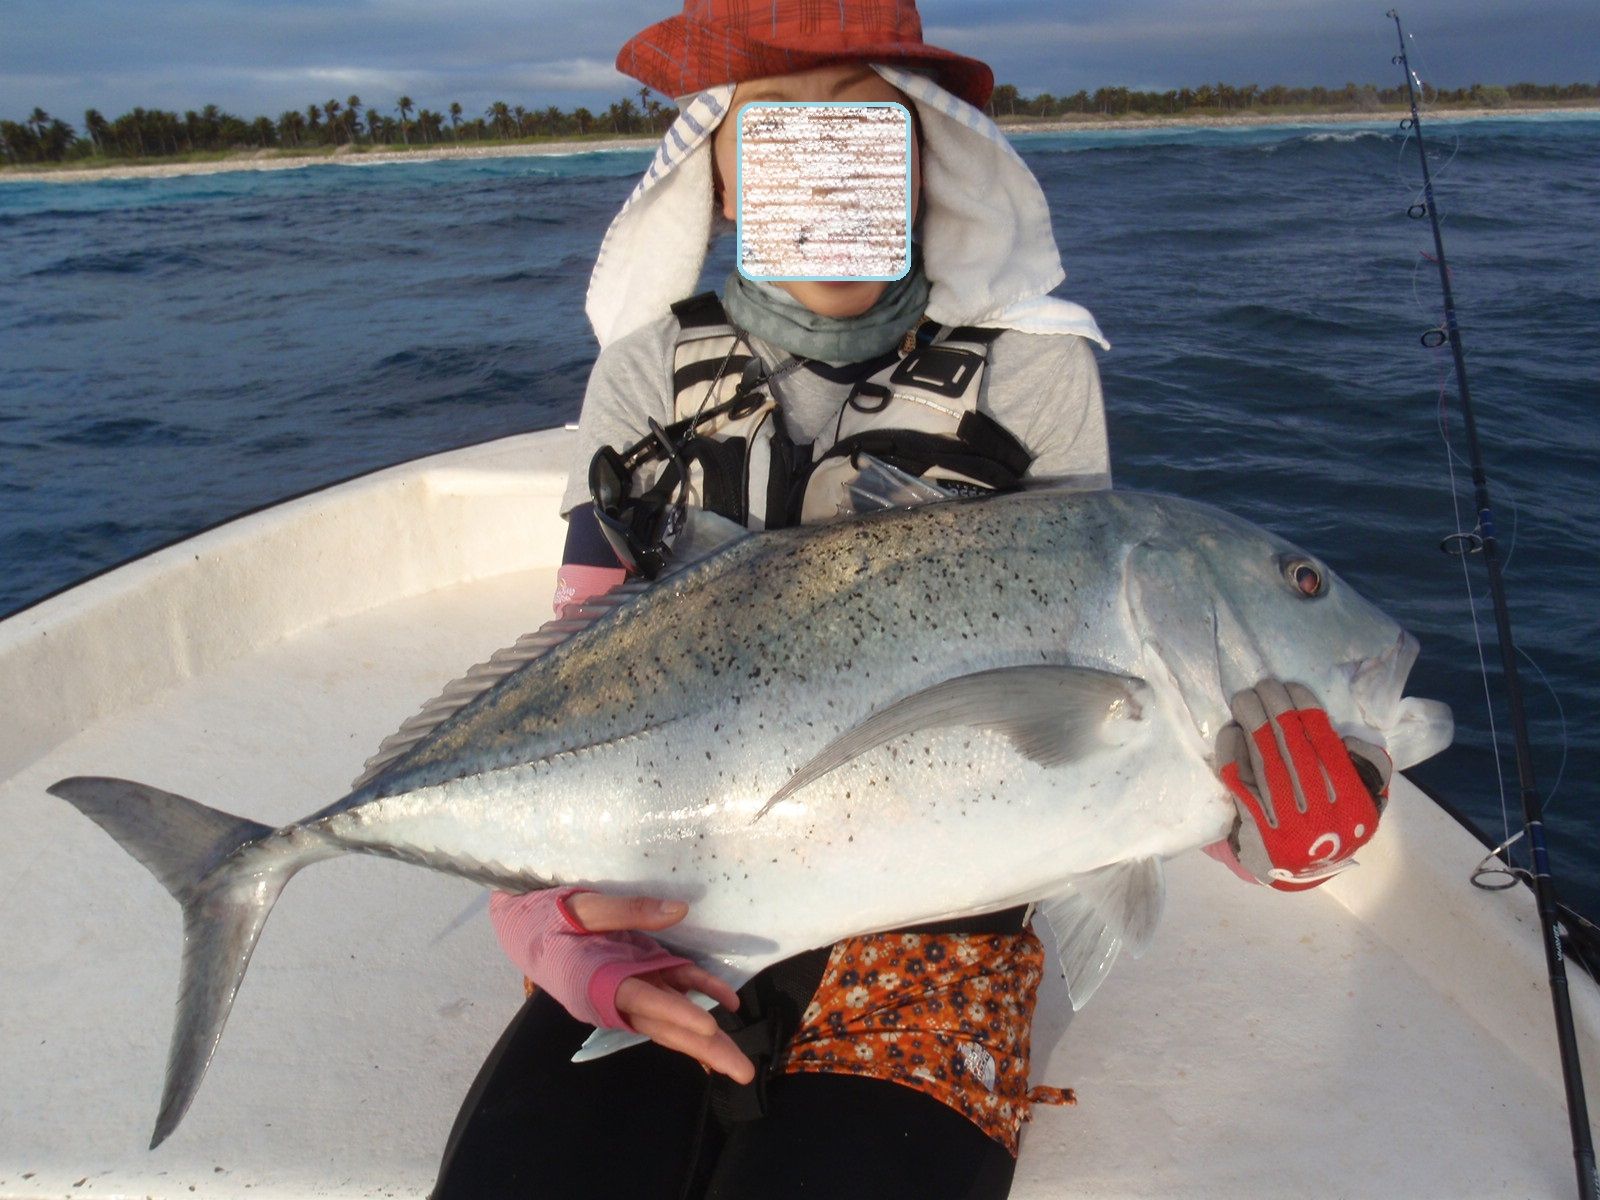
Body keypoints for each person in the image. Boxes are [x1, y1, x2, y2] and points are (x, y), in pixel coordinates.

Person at [433, 3, 1390, 1197]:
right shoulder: (644, 371)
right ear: (718, 172)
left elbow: (1107, 683)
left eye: (865, 136)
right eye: (778, 136)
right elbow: (585, 672)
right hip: (671, 905)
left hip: (946, 932)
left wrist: (1261, 822)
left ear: (926, 160)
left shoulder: (1034, 375)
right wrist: (554, 930)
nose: (825, 172)